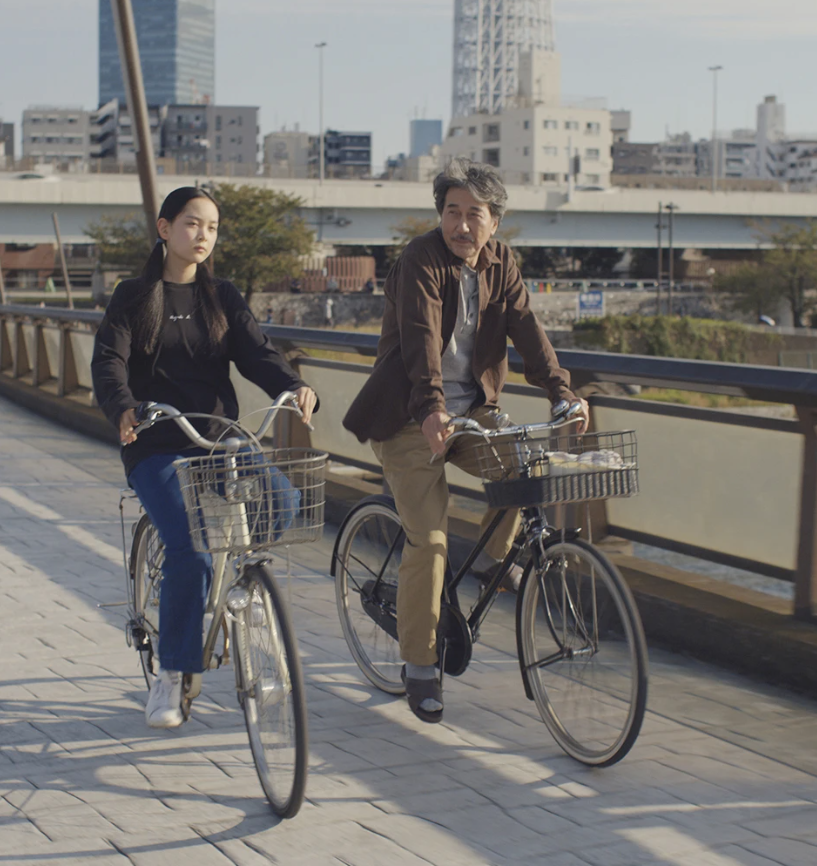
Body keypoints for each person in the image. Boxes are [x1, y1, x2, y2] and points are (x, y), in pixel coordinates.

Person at [343, 158, 587, 724]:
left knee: (526, 468)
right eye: (451, 212)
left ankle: (491, 565)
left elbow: (527, 328)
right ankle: (421, 667)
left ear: (494, 222)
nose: (460, 224)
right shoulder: (419, 260)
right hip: (408, 417)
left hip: (473, 412)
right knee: (428, 540)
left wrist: (561, 391)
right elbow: (422, 340)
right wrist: (430, 409)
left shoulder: (502, 264)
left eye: (474, 214)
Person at [92, 186, 318, 729]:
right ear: (165, 229)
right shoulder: (132, 295)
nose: (203, 236)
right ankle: (172, 677)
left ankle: (240, 585)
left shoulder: (224, 297)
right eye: (193, 224)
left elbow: (258, 354)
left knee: (284, 504)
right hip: (157, 442)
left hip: (221, 438)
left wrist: (294, 386)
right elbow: (109, 360)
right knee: (188, 551)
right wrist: (122, 406)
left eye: (212, 227)